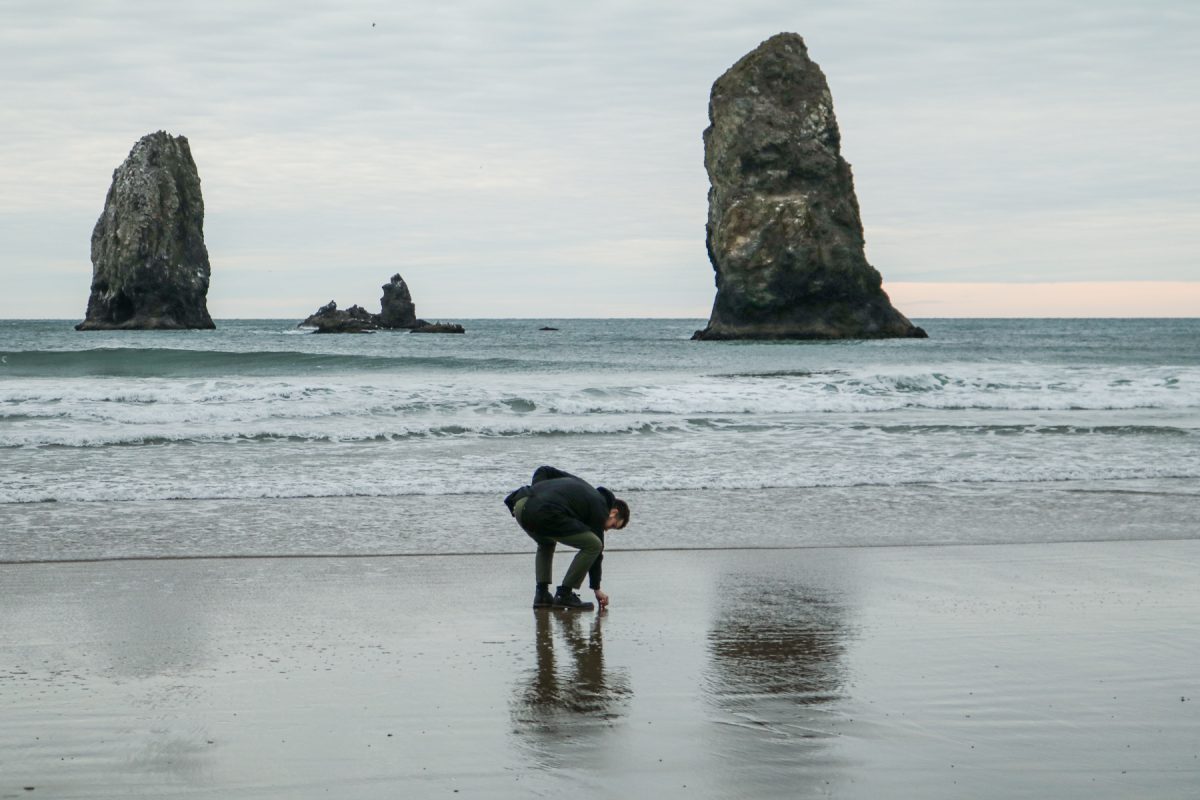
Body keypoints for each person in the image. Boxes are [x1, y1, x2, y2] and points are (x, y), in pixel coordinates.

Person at [504, 465, 630, 610]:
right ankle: (564, 594)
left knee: (546, 542)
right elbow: (597, 550)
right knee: (593, 544)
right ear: (613, 512)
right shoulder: (600, 506)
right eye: (613, 525)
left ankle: (542, 595)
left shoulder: (583, 486)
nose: (607, 530)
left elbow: (543, 470)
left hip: (521, 504)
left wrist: (538, 494)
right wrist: (596, 589)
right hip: (541, 510)